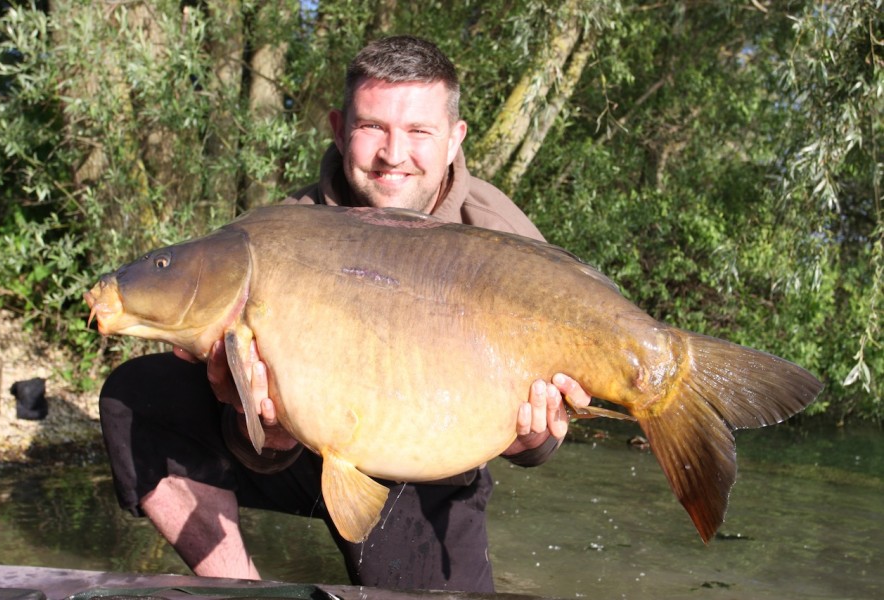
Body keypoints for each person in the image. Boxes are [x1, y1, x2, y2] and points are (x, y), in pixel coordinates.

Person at [98, 35, 591, 593]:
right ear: (338, 128)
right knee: (137, 397)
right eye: (372, 127)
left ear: (455, 139)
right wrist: (265, 431)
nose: (393, 154)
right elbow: (251, 432)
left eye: (419, 132)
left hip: (425, 465)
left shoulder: (503, 237)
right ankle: (240, 593)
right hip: (305, 448)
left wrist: (533, 439)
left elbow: (547, 435)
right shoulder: (284, 230)